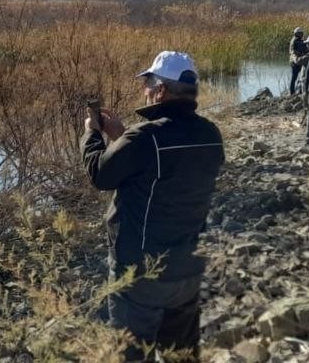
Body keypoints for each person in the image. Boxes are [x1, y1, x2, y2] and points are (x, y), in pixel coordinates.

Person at [82, 51, 224, 361]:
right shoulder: (211, 135)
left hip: (141, 276)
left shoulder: (145, 138)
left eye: (148, 83)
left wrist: (92, 134)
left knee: (131, 355)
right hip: (188, 269)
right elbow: (162, 172)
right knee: (181, 356)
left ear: (160, 89)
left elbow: (100, 175)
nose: (144, 90)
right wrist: (121, 137)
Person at [288, 27, 308, 95]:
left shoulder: (296, 40)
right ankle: (292, 92)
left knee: (295, 77)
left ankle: (294, 91)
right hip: (295, 61)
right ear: (297, 34)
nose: (301, 34)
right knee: (295, 77)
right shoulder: (296, 40)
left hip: (295, 61)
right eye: (300, 33)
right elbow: (303, 48)